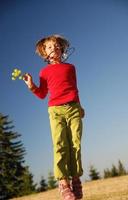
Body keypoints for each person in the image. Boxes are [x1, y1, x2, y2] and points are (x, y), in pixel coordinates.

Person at [23, 34, 85, 200]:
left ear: (62, 49)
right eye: (50, 47)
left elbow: (74, 88)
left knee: (76, 144)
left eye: (57, 45)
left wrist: (80, 106)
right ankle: (63, 182)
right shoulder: (44, 72)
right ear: (45, 53)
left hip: (73, 108)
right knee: (60, 144)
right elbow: (42, 94)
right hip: (55, 110)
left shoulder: (71, 68)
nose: (54, 48)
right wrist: (31, 86)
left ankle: (76, 179)